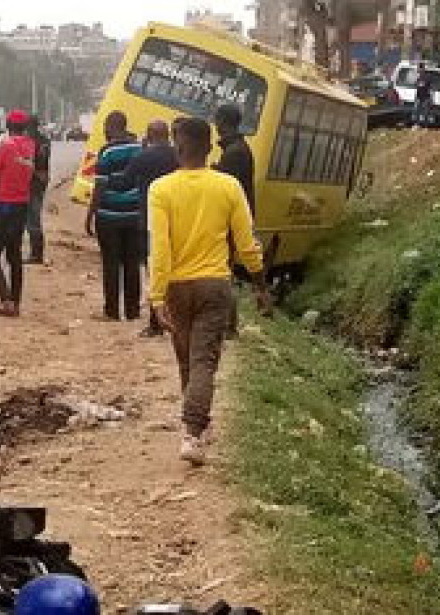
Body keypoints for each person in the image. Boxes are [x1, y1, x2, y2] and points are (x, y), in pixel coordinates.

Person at [149, 117, 271, 465]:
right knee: (204, 360)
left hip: (176, 286)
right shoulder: (228, 187)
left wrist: (156, 296)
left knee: (187, 360)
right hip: (215, 286)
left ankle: (194, 424)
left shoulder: (160, 189)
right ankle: (194, 432)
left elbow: (160, 248)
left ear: (178, 146)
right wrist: (261, 286)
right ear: (208, 147)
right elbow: (247, 243)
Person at [123, 120, 179, 337]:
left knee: (155, 270)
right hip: (177, 219)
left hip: (150, 219)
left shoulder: (143, 156)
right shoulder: (178, 156)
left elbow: (126, 181)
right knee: (175, 269)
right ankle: (174, 317)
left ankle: (156, 322)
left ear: (149, 134)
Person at [86, 110, 143, 321]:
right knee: (132, 263)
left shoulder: (107, 151)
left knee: (111, 263)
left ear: (111, 126)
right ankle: (133, 311)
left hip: (109, 215)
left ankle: (112, 311)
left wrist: (90, 214)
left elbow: (100, 186)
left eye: (106, 126)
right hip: (134, 214)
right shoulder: (139, 148)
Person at [213, 104, 256, 339]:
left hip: (230, 220)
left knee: (224, 271)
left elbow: (227, 189)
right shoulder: (238, 148)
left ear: (223, 122)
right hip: (234, 218)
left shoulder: (235, 152)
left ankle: (229, 325)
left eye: (217, 120)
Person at [0, 109, 36, 317]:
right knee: (14, 255)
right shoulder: (30, 146)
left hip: (4, 205)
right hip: (22, 205)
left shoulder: (6, 146)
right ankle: (15, 302)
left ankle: (6, 300)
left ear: (8, 126)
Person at [24, 115, 51, 264]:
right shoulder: (45, 141)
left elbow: (32, 164)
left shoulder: (31, 142)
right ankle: (37, 252)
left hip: (34, 183)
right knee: (34, 218)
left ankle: (36, 254)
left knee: (32, 220)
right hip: (41, 182)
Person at [414, 63, 432, 127]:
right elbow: (416, 87)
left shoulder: (427, 77)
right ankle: (417, 124)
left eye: (422, 68)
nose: (420, 70)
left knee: (426, 112)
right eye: (419, 68)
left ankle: (426, 125)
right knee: (417, 111)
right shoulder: (417, 77)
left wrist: (430, 98)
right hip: (419, 97)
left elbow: (430, 88)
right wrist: (416, 97)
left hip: (426, 96)